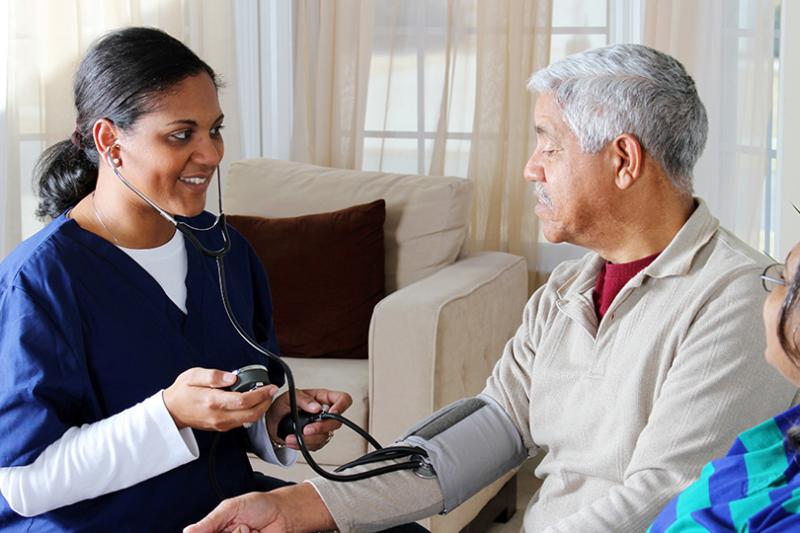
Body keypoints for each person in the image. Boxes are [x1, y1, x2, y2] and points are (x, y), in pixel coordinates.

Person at [185, 44, 800, 533]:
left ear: (623, 161)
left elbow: (663, 500)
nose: (532, 167)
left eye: (549, 144)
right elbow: (493, 426)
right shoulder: (567, 288)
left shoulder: (740, 299)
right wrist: (305, 505)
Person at [0, 27, 353, 531]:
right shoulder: (39, 282)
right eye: (182, 134)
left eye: (215, 130)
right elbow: (24, 484)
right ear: (110, 141)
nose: (211, 155)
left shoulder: (226, 252)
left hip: (228, 509)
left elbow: (237, 400)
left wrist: (275, 423)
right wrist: (170, 414)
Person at [647, 244, 800, 531]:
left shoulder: (730, 288)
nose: (768, 293)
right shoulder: (778, 435)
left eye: (785, 280)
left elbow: (661, 485)